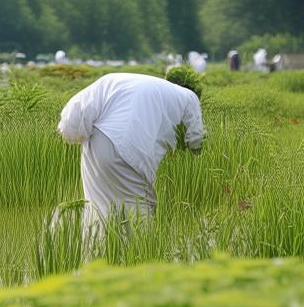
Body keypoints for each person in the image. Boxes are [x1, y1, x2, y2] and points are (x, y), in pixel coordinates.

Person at [57, 72, 204, 222]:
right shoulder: (190, 96)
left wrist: (72, 135)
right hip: (133, 151)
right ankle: (136, 244)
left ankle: (98, 243)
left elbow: (74, 113)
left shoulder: (116, 79)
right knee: (139, 210)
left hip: (96, 143)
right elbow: (196, 141)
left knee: (99, 208)